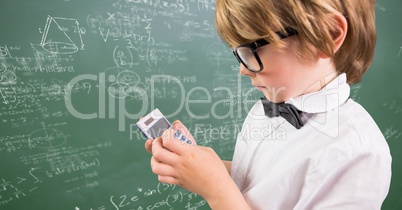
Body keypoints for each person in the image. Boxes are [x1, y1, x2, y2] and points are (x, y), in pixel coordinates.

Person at [145, 0, 392, 209]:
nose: (242, 69)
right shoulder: (266, 109)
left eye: (252, 49)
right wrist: (201, 166)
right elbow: (266, 183)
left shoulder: (358, 154)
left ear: (327, 34)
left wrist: (214, 188)